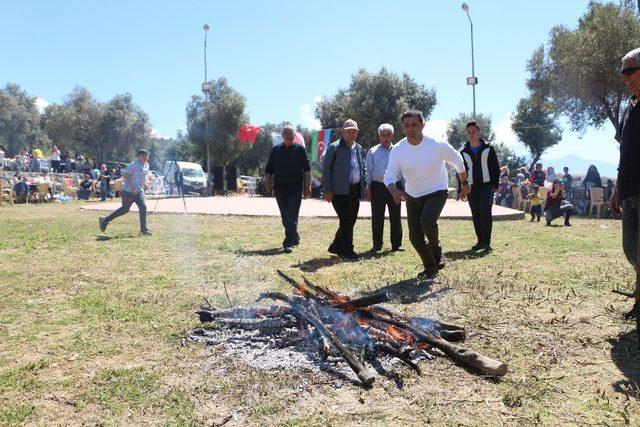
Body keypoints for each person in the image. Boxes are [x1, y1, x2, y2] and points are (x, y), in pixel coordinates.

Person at [384, 110, 470, 280]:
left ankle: (435, 249)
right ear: (403, 127)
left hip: (437, 191)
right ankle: (430, 268)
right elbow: (389, 175)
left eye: (414, 125)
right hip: (413, 195)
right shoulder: (398, 150)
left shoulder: (436, 145)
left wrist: (464, 183)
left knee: (427, 221)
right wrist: (394, 191)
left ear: (423, 125)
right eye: (406, 125)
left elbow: (457, 159)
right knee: (415, 237)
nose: (410, 129)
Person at [611, 48, 640, 318]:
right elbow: (623, 153)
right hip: (630, 190)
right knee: (631, 249)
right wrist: (617, 188)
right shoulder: (629, 108)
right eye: (623, 72)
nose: (624, 77)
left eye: (629, 70)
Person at [322, 119, 368, 260]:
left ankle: (336, 245)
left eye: (354, 132)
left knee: (351, 219)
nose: (351, 134)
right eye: (349, 132)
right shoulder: (334, 147)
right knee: (346, 219)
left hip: (354, 190)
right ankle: (347, 250)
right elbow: (326, 169)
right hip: (339, 191)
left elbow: (363, 168)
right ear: (343, 132)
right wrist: (328, 189)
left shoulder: (359, 148)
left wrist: (365, 185)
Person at [264, 125, 312, 253]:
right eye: (286, 133)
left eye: (290, 133)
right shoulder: (276, 150)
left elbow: (307, 169)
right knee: (285, 215)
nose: (288, 136)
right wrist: (267, 182)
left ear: (294, 135)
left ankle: (288, 242)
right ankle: (294, 236)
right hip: (279, 188)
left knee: (291, 214)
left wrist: (308, 186)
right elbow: (269, 169)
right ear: (282, 135)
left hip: (295, 188)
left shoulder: (300, 150)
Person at [459, 120, 499, 251]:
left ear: (479, 132)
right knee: (475, 213)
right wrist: (462, 188)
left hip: (487, 186)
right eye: (469, 132)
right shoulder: (464, 151)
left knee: (485, 211)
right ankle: (480, 241)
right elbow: (461, 171)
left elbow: (496, 167)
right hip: (472, 187)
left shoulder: (488, 148)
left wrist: (496, 184)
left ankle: (487, 242)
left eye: (473, 132)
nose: (471, 134)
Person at [365, 123, 403, 252]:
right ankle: (377, 245)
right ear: (379, 136)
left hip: (395, 187)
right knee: (377, 217)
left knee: (396, 216)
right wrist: (368, 188)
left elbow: (403, 170)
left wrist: (404, 188)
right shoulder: (373, 151)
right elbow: (368, 171)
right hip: (377, 187)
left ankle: (396, 245)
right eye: (383, 135)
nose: (385, 137)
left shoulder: (398, 150)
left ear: (392, 135)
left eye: (388, 135)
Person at [99, 149, 151, 235]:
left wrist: (145, 184)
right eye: (142, 156)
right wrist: (132, 187)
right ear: (138, 157)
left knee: (143, 207)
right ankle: (105, 220)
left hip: (139, 191)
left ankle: (144, 230)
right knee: (125, 209)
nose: (144, 157)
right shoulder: (133, 165)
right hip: (128, 191)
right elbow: (126, 176)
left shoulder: (147, 165)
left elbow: (142, 176)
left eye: (146, 156)